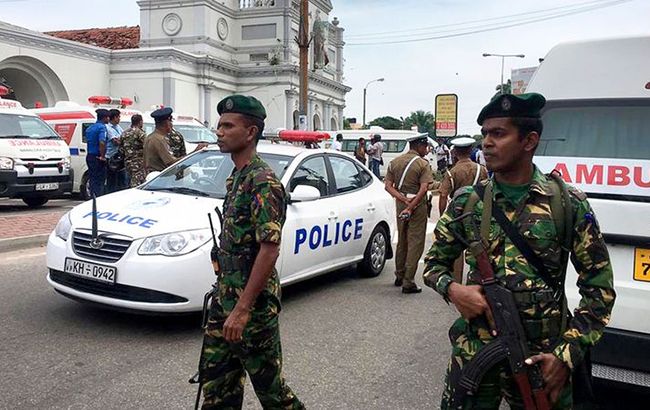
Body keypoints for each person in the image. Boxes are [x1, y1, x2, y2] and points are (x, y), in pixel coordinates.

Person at [423, 93, 615, 409]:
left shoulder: (567, 204)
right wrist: (455, 290)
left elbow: (600, 292)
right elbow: (433, 263)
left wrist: (565, 356)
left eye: (498, 134)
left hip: (543, 360)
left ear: (529, 141)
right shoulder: (467, 203)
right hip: (476, 353)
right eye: (484, 134)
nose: (486, 143)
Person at [198, 95, 304, 409]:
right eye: (218, 125)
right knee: (218, 385)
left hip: (252, 309)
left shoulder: (263, 181)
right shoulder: (236, 178)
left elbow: (269, 249)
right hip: (224, 300)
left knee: (272, 393)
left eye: (228, 126)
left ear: (250, 133)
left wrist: (242, 310)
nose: (219, 131)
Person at [384, 133, 434, 293]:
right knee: (416, 241)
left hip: (401, 203)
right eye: (425, 146)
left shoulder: (394, 162)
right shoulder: (422, 164)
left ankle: (399, 274)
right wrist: (411, 206)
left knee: (402, 239)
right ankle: (409, 281)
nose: (426, 150)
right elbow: (424, 188)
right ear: (419, 146)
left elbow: (388, 186)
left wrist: (403, 200)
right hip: (416, 205)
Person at [438, 136, 488, 283]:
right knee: (479, 249)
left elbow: (443, 196)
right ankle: (478, 282)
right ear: (471, 150)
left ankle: (456, 282)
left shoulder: (451, 173)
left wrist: (443, 216)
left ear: (455, 152)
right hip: (477, 213)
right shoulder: (482, 170)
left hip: (457, 214)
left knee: (456, 251)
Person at [143, 107, 206, 173]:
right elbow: (171, 163)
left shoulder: (151, 137)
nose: (172, 124)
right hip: (161, 179)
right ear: (167, 123)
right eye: (171, 121)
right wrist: (195, 153)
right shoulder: (158, 140)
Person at [85, 109, 109, 197]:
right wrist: (103, 156)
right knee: (100, 181)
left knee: (92, 179)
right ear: (105, 118)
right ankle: (98, 199)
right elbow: (102, 142)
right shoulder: (102, 127)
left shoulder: (90, 128)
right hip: (97, 157)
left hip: (90, 155)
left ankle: (93, 198)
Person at [121, 114, 147, 187]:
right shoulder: (140, 133)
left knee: (128, 182)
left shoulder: (124, 133)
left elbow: (121, 148)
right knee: (137, 184)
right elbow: (147, 146)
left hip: (127, 162)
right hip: (138, 162)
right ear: (140, 122)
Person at [105, 109, 127, 193]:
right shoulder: (108, 128)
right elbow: (116, 141)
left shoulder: (118, 127)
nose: (119, 119)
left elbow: (123, 137)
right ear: (114, 117)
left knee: (121, 181)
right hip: (111, 158)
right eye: (118, 117)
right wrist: (122, 141)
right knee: (112, 181)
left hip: (120, 157)